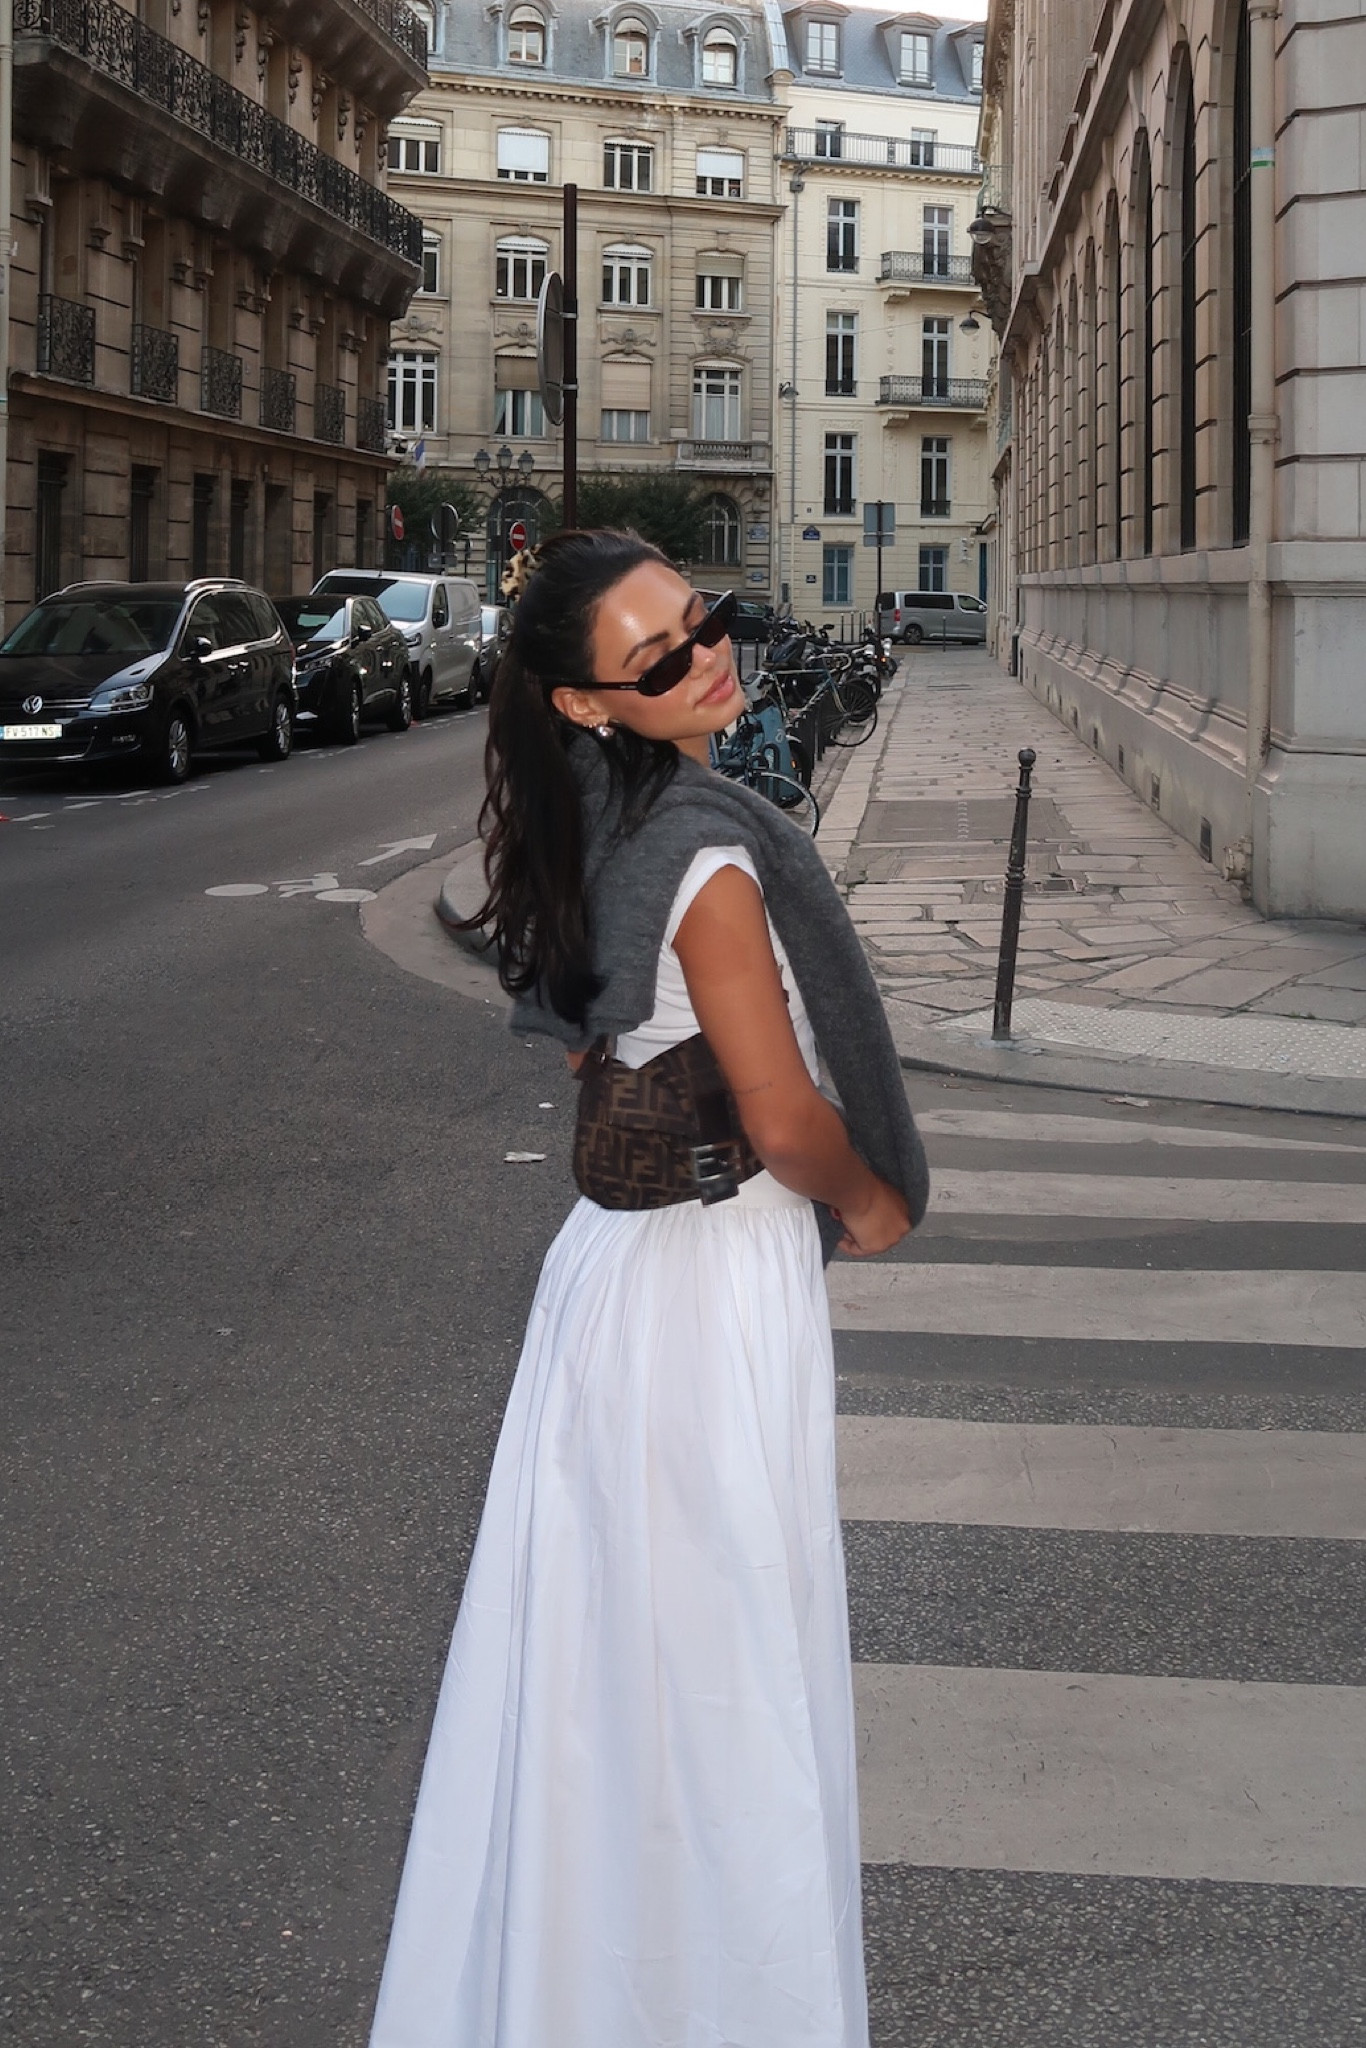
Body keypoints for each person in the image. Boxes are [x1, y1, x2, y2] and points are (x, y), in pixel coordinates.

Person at [370, 530, 929, 2048]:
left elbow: (588, 1029)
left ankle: (575, 1986)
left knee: (597, 1685)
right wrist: (872, 1202)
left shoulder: (598, 820)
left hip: (615, 1283)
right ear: (587, 703)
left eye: (704, 621)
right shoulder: (710, 857)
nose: (708, 657)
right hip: (703, 1286)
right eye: (660, 658)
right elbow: (784, 1115)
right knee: (720, 1680)